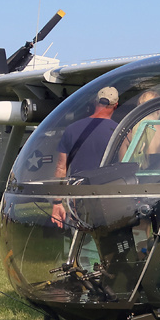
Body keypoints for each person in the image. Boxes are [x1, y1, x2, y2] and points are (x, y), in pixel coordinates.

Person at [52, 86, 119, 228]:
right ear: (116, 105)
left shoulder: (71, 129)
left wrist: (57, 202)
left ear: (95, 103)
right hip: (108, 197)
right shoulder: (118, 132)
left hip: (78, 197)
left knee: (79, 239)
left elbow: (61, 168)